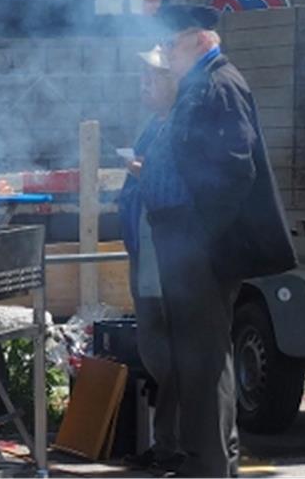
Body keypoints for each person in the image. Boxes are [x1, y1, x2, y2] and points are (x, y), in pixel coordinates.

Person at [138, 4, 297, 477]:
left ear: (200, 41)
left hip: (199, 246)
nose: (166, 53)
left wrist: (200, 232)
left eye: (172, 44)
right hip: (185, 242)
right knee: (200, 359)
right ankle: (207, 461)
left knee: (203, 361)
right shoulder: (201, 84)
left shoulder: (217, 85)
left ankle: (207, 466)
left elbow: (233, 168)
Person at [117, 45, 182, 474]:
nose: (145, 84)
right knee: (156, 354)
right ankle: (165, 445)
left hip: (168, 260)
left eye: (153, 77)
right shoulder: (153, 125)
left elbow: (178, 184)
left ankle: (178, 447)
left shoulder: (180, 125)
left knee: (170, 357)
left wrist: (143, 171)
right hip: (146, 256)